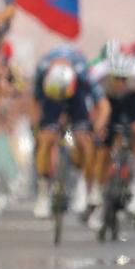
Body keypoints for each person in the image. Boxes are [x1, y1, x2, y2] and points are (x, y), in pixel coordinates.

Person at [32, 45, 104, 219]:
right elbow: (35, 103)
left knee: (84, 140)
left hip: (76, 101)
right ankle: (43, 194)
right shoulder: (42, 71)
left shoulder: (83, 75)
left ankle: (87, 187)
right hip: (51, 98)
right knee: (46, 139)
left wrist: (96, 128)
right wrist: (36, 128)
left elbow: (102, 105)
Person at [87, 50, 135, 229]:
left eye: (122, 79)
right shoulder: (99, 75)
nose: (119, 83)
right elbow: (93, 107)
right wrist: (96, 128)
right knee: (103, 145)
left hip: (132, 99)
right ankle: (98, 189)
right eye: (116, 78)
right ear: (110, 75)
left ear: (128, 76)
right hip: (108, 101)